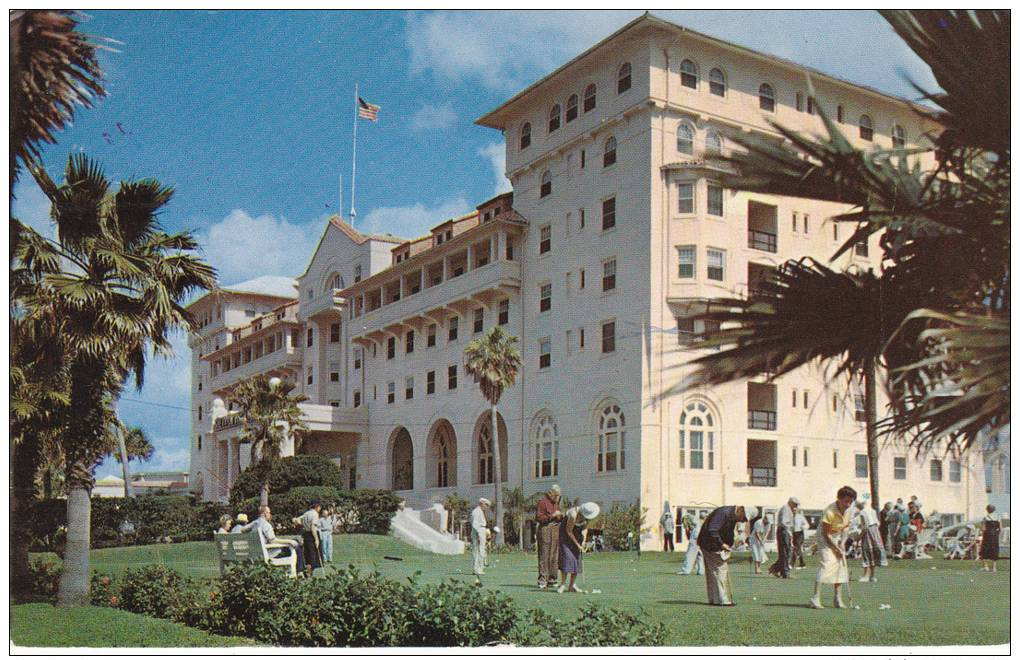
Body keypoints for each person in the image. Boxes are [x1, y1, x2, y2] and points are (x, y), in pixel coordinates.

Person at [698, 504, 756, 606]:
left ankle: (714, 599)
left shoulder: (731, 515)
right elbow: (712, 530)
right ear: (741, 510)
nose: (743, 521)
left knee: (713, 572)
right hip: (710, 543)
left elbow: (727, 532)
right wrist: (722, 544)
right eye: (744, 518)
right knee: (721, 569)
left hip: (709, 543)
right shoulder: (723, 513)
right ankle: (722, 600)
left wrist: (729, 545)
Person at [810, 485, 857, 609]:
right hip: (824, 537)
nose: (848, 504)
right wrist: (835, 548)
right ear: (839, 499)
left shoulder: (850, 510)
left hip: (837, 535)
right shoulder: (829, 511)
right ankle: (815, 598)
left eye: (850, 502)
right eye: (846, 501)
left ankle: (837, 599)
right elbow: (826, 534)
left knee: (840, 565)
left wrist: (842, 543)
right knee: (827, 563)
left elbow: (846, 527)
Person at [242, 505, 305, 573]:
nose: (270, 514)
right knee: (296, 547)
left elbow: (243, 529)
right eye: (269, 512)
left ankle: (301, 570)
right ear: (264, 513)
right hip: (269, 553)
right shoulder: (266, 525)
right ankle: (300, 572)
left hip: (257, 553)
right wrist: (290, 541)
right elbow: (273, 540)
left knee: (295, 541)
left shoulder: (255, 523)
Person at [557, 501, 600, 593]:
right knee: (567, 559)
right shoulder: (573, 514)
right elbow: (568, 531)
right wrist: (577, 545)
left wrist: (583, 541)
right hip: (566, 535)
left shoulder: (586, 517)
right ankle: (563, 585)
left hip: (577, 535)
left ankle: (572, 585)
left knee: (577, 560)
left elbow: (584, 528)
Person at [535, 485, 563, 589]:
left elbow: (558, 516)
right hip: (545, 529)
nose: (557, 498)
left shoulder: (556, 503)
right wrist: (552, 516)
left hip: (555, 529)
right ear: (551, 493)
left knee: (554, 555)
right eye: (556, 495)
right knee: (544, 555)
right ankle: (542, 580)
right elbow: (539, 517)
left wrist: (559, 515)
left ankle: (552, 579)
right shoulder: (542, 502)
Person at [855, 500, 883, 582]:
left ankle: (866, 576)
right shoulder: (872, 511)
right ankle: (872, 576)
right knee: (873, 553)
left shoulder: (862, 512)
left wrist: (859, 537)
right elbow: (878, 523)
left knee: (866, 553)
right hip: (875, 533)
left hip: (868, 534)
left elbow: (865, 527)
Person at [770, 497, 797, 578]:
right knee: (785, 552)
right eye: (795, 504)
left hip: (785, 531)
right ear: (791, 502)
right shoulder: (786, 509)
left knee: (787, 552)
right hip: (784, 530)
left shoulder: (788, 510)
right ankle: (784, 572)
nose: (795, 507)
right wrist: (789, 528)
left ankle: (776, 568)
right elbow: (784, 522)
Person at [298, 499, 322, 576]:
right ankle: (309, 572)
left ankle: (308, 570)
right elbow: (313, 527)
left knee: (308, 554)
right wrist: (316, 539)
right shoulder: (314, 514)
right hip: (312, 535)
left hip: (306, 534)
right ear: (316, 507)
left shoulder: (306, 514)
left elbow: (299, 522)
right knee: (314, 555)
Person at [677, 511, 706, 575]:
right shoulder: (702, 521)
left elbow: (687, 529)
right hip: (702, 535)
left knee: (690, 554)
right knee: (700, 554)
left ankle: (686, 570)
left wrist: (689, 539)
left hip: (695, 535)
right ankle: (701, 571)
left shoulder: (686, 517)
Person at [471, 497, 491, 577]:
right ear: (482, 503)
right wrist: (479, 534)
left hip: (480, 530)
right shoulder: (477, 512)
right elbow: (475, 524)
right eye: (486, 505)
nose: (486, 507)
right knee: (479, 550)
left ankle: (477, 569)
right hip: (479, 530)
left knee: (477, 550)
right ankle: (478, 569)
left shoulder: (479, 511)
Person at [979, 504, 1000, 572]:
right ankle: (994, 568)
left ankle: (986, 567)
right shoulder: (998, 517)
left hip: (987, 535)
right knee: (994, 550)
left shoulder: (985, 517)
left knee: (984, 550)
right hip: (995, 536)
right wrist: (996, 534)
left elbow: (983, 528)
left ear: (987, 510)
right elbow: (1000, 528)